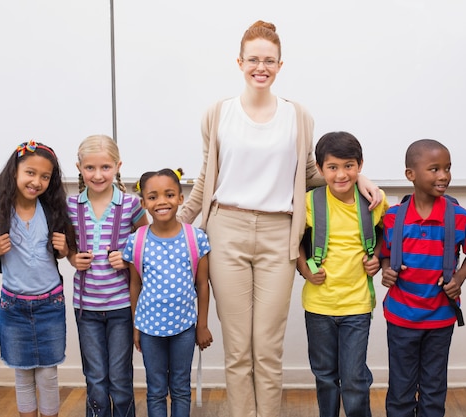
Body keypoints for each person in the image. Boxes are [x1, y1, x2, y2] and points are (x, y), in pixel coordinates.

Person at [177, 20, 382, 417]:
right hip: (226, 229)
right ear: (239, 62)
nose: (261, 67)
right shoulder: (217, 114)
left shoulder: (297, 115)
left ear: (280, 65)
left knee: (267, 346)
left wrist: (359, 177)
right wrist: (175, 227)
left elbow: (310, 172)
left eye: (269, 60)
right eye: (253, 59)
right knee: (238, 347)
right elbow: (206, 179)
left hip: (279, 234)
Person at [379, 139, 466, 417]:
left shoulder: (460, 217)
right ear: (410, 175)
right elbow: (385, 253)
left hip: (440, 318)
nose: (444, 175)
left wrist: (459, 278)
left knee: (434, 387)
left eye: (447, 168)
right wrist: (387, 268)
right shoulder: (392, 217)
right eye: (434, 169)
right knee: (400, 388)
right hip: (401, 317)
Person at [0, 140, 74, 417]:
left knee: (48, 376)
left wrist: (64, 249)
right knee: (23, 376)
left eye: (45, 176)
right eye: (30, 172)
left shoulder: (53, 211)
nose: (36, 181)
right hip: (13, 308)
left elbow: (61, 253)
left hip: (50, 304)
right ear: (14, 172)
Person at [296, 131, 389, 417]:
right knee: (325, 376)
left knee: (353, 378)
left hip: (357, 306)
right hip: (318, 305)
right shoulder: (310, 202)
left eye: (348, 166)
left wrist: (377, 257)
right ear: (321, 169)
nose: (341, 174)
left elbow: (388, 236)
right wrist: (306, 270)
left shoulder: (374, 200)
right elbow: (295, 245)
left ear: (360, 165)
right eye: (332, 167)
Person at [66, 134, 148, 417]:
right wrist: (72, 257)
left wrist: (127, 260)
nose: (98, 175)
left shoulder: (130, 204)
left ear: (117, 166)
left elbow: (145, 244)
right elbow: (68, 247)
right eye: (90, 168)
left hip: (121, 307)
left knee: (120, 380)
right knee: (96, 379)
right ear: (79, 168)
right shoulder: (70, 206)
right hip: (86, 308)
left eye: (105, 167)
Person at [123, 168, 213, 417]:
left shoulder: (196, 238)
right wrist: (135, 327)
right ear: (144, 204)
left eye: (169, 194)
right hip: (149, 329)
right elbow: (135, 285)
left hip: (184, 328)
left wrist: (202, 325)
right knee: (156, 390)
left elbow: (202, 285)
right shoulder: (137, 240)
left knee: (181, 388)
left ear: (181, 198)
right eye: (153, 197)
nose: (162, 201)